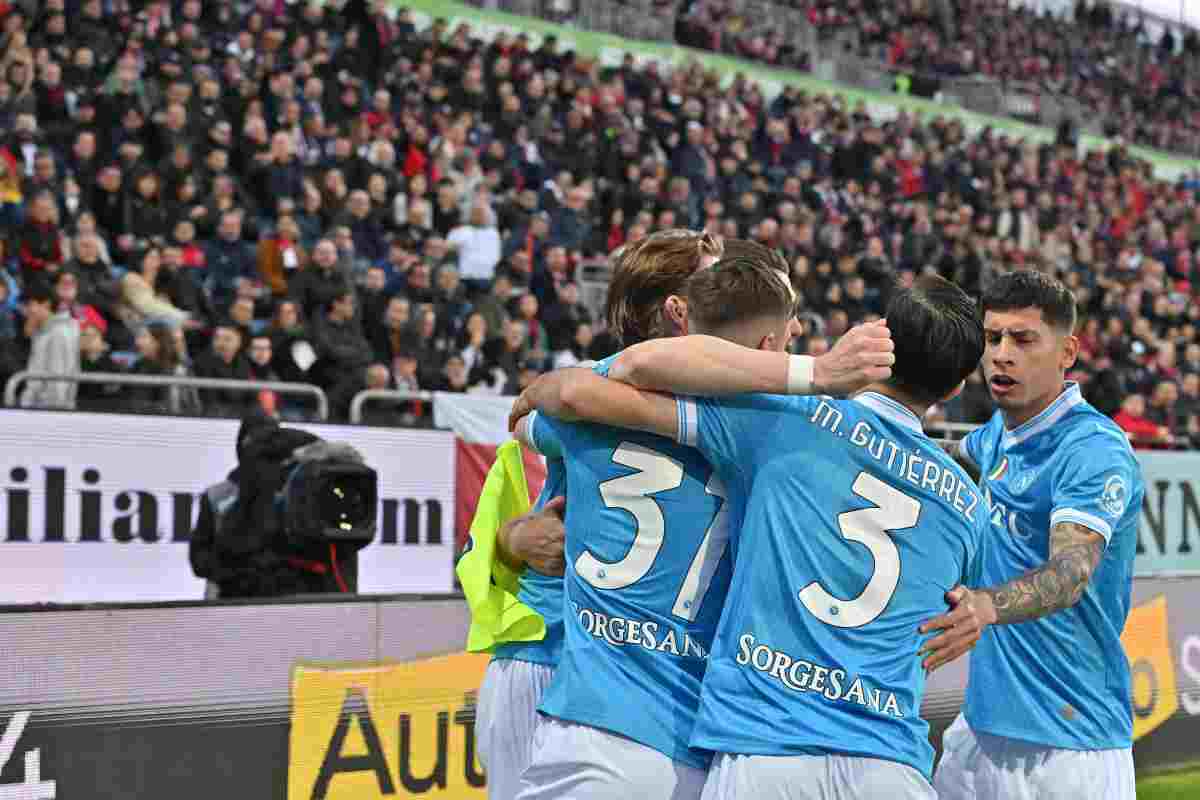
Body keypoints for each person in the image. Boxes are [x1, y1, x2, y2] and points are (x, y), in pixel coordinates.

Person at [510, 273, 986, 798]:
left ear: (876, 338)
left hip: (768, 750)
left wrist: (554, 386)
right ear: (957, 386)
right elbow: (976, 602)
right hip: (892, 765)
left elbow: (630, 370)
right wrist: (982, 607)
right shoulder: (967, 503)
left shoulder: (785, 419)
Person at [473, 229, 723, 800]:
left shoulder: (579, 390)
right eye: (717, 281)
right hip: (551, 651)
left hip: (647, 676)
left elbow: (523, 424)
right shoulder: (592, 387)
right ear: (678, 310)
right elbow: (514, 447)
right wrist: (512, 537)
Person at [923, 271, 1145, 800]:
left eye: (1023, 340)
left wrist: (986, 606)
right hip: (977, 733)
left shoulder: (1092, 450)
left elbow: (1070, 574)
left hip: (1071, 749)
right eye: (993, 338)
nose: (1001, 354)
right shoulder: (997, 434)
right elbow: (935, 468)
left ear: (1067, 351)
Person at [19, 279, 80, 409]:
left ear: (46, 304)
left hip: (49, 410)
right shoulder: (44, 330)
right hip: (38, 407)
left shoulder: (59, 333)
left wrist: (54, 411)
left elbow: (58, 375)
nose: (26, 311)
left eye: (30, 305)